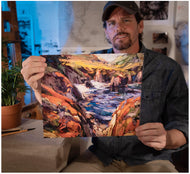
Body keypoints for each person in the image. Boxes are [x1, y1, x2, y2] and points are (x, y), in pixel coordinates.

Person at [21, 1, 188, 172]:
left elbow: (183, 124)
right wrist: (36, 88)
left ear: (140, 26)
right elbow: (64, 109)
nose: (118, 28)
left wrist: (167, 138)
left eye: (126, 20)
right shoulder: (91, 64)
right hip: (100, 157)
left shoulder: (167, 68)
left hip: (151, 159)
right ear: (106, 32)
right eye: (112, 23)